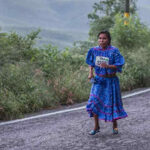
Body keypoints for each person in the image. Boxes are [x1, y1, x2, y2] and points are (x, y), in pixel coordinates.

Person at [86, 30, 128, 135]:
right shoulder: (94, 50)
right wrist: (90, 73)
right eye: (100, 38)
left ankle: (115, 126)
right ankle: (96, 127)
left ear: (108, 40)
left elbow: (119, 64)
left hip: (111, 81)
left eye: (104, 38)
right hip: (99, 80)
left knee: (111, 102)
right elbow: (91, 63)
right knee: (94, 102)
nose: (101, 40)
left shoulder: (114, 51)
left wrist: (108, 66)